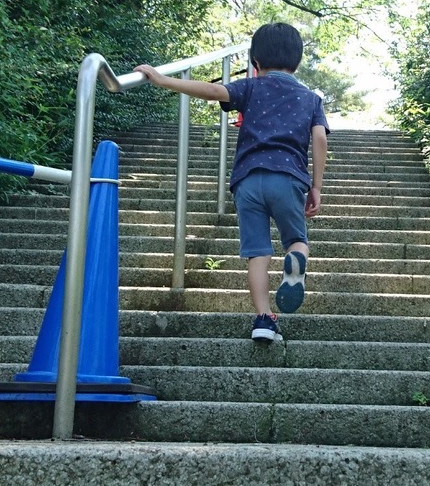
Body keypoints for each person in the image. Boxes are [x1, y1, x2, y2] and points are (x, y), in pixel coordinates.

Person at [134, 22, 329, 344]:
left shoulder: (251, 87)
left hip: (248, 181)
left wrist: (161, 78)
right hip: (289, 178)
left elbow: (213, 92)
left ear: (255, 62)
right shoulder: (310, 99)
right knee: (296, 239)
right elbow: (319, 138)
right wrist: (316, 186)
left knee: (257, 252)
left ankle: (264, 319)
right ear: (297, 61)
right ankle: (297, 262)